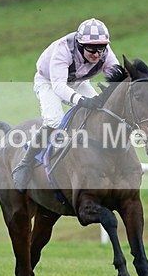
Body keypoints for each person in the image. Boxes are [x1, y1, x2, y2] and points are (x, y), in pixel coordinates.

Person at [12, 17, 120, 191]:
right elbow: (59, 86)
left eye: (101, 48)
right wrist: (83, 101)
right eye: (92, 49)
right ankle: (26, 162)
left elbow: (117, 77)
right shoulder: (63, 50)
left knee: (101, 112)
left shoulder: (105, 52)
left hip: (77, 81)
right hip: (49, 82)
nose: (97, 54)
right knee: (54, 120)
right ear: (80, 45)